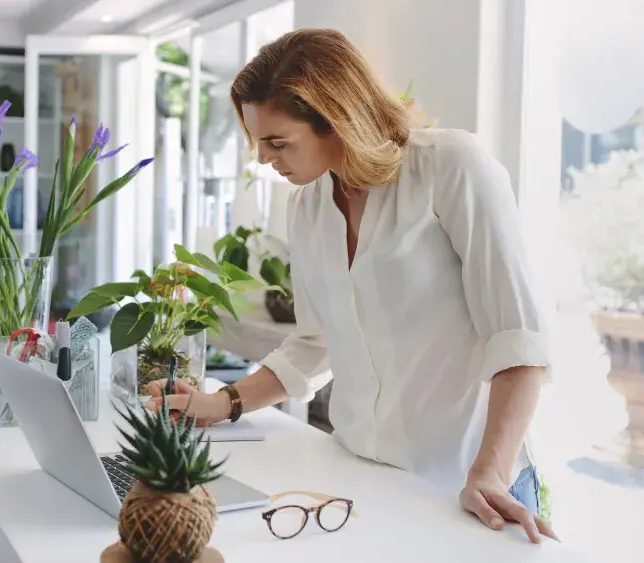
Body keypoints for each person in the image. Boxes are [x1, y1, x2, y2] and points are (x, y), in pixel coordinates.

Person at [147, 28, 558, 544]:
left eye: (278, 143)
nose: (264, 160)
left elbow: (519, 340)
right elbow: (316, 343)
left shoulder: (450, 166)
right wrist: (224, 401)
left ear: (336, 118)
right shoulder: (308, 205)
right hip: (365, 481)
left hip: (469, 488)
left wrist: (490, 472)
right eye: (259, 142)